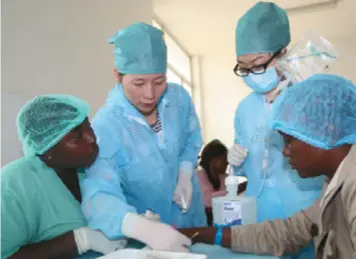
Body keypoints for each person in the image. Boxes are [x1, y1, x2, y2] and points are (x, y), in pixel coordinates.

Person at [180, 74, 356, 259]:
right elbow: (289, 232)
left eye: (289, 141)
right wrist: (203, 234)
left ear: (327, 131)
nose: (285, 151)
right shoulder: (342, 176)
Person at [80, 22, 206, 253]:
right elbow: (98, 195)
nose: (150, 94)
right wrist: (140, 227)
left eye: (159, 81)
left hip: (192, 219)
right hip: (149, 241)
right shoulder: (107, 125)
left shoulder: (178, 99)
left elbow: (192, 137)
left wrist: (186, 171)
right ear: (118, 75)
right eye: (138, 83)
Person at [227, 2, 325, 258]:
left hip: (305, 210)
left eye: (258, 64)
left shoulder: (309, 94)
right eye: (243, 67)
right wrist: (235, 163)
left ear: (282, 53)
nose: (250, 73)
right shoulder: (244, 108)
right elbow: (247, 164)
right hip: (259, 212)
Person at [1, 95, 127, 259]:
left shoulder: (93, 168)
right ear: (47, 149)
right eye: (76, 136)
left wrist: (133, 225)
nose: (90, 137)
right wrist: (80, 241)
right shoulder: (14, 184)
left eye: (87, 125)